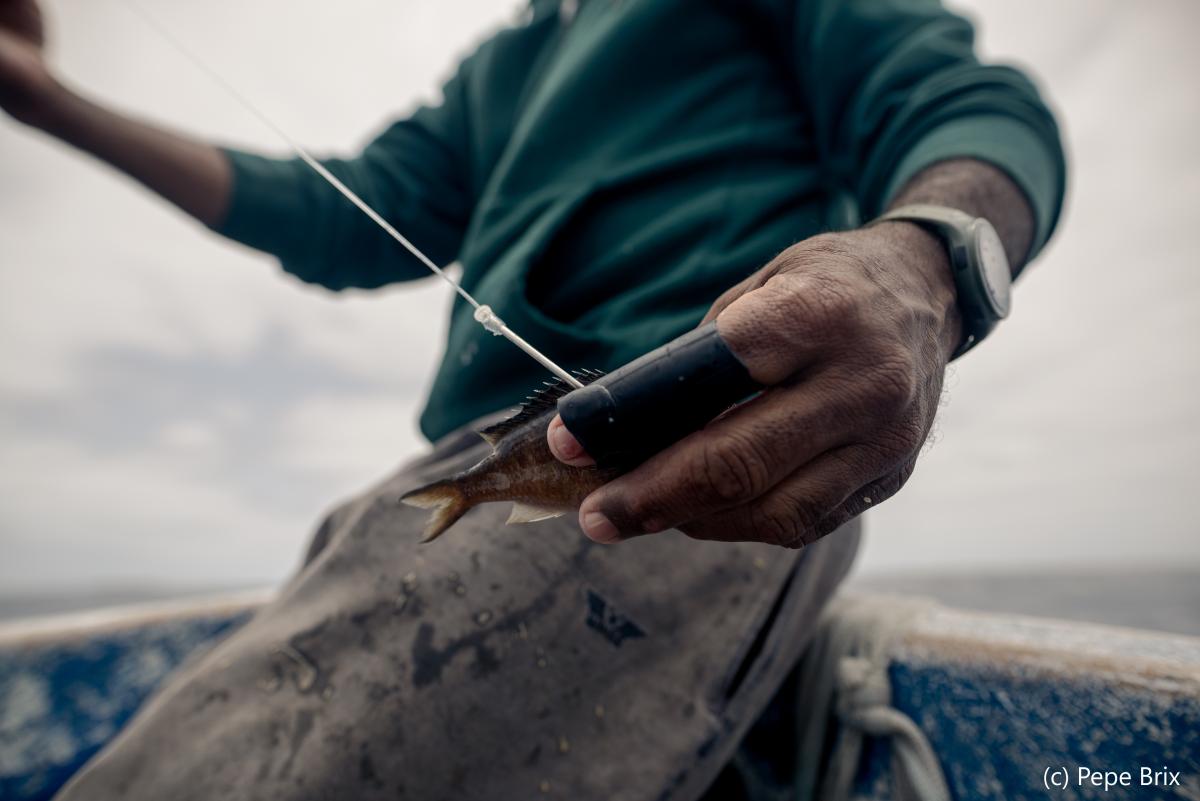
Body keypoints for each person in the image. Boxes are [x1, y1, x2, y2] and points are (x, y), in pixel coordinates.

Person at [0, 0, 1065, 798]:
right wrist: (44, 99)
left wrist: (928, 260)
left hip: (676, 456)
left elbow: (969, 103)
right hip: (475, 474)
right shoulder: (496, 68)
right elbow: (338, 218)